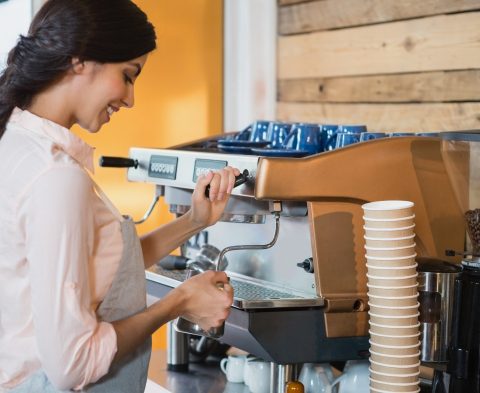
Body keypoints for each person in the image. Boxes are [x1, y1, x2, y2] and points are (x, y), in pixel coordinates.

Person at [0, 0, 238, 391]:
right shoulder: (55, 177)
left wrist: (195, 221)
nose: (130, 99)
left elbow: (96, 271)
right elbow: (73, 365)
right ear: (80, 60)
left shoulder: (16, 141)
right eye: (128, 75)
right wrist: (178, 303)